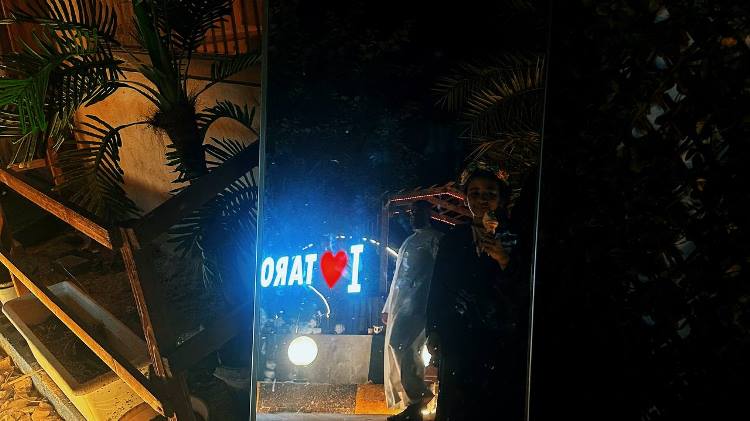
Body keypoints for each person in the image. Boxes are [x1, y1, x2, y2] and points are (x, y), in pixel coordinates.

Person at [426, 163, 528, 421]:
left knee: (497, 403)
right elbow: (439, 285)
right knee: (458, 404)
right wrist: (434, 328)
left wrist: (504, 259)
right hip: (459, 335)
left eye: (490, 193)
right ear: (466, 198)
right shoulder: (453, 239)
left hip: (503, 337)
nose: (482, 199)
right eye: (475, 193)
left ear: (501, 198)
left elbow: (526, 286)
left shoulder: (517, 237)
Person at [382, 200, 444, 420]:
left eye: (418, 212)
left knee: (404, 347)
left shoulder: (436, 239)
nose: (413, 216)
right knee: (397, 347)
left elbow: (441, 273)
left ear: (429, 214)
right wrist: (388, 306)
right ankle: (413, 401)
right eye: (411, 213)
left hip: (420, 303)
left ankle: (418, 400)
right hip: (401, 304)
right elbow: (397, 278)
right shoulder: (408, 241)